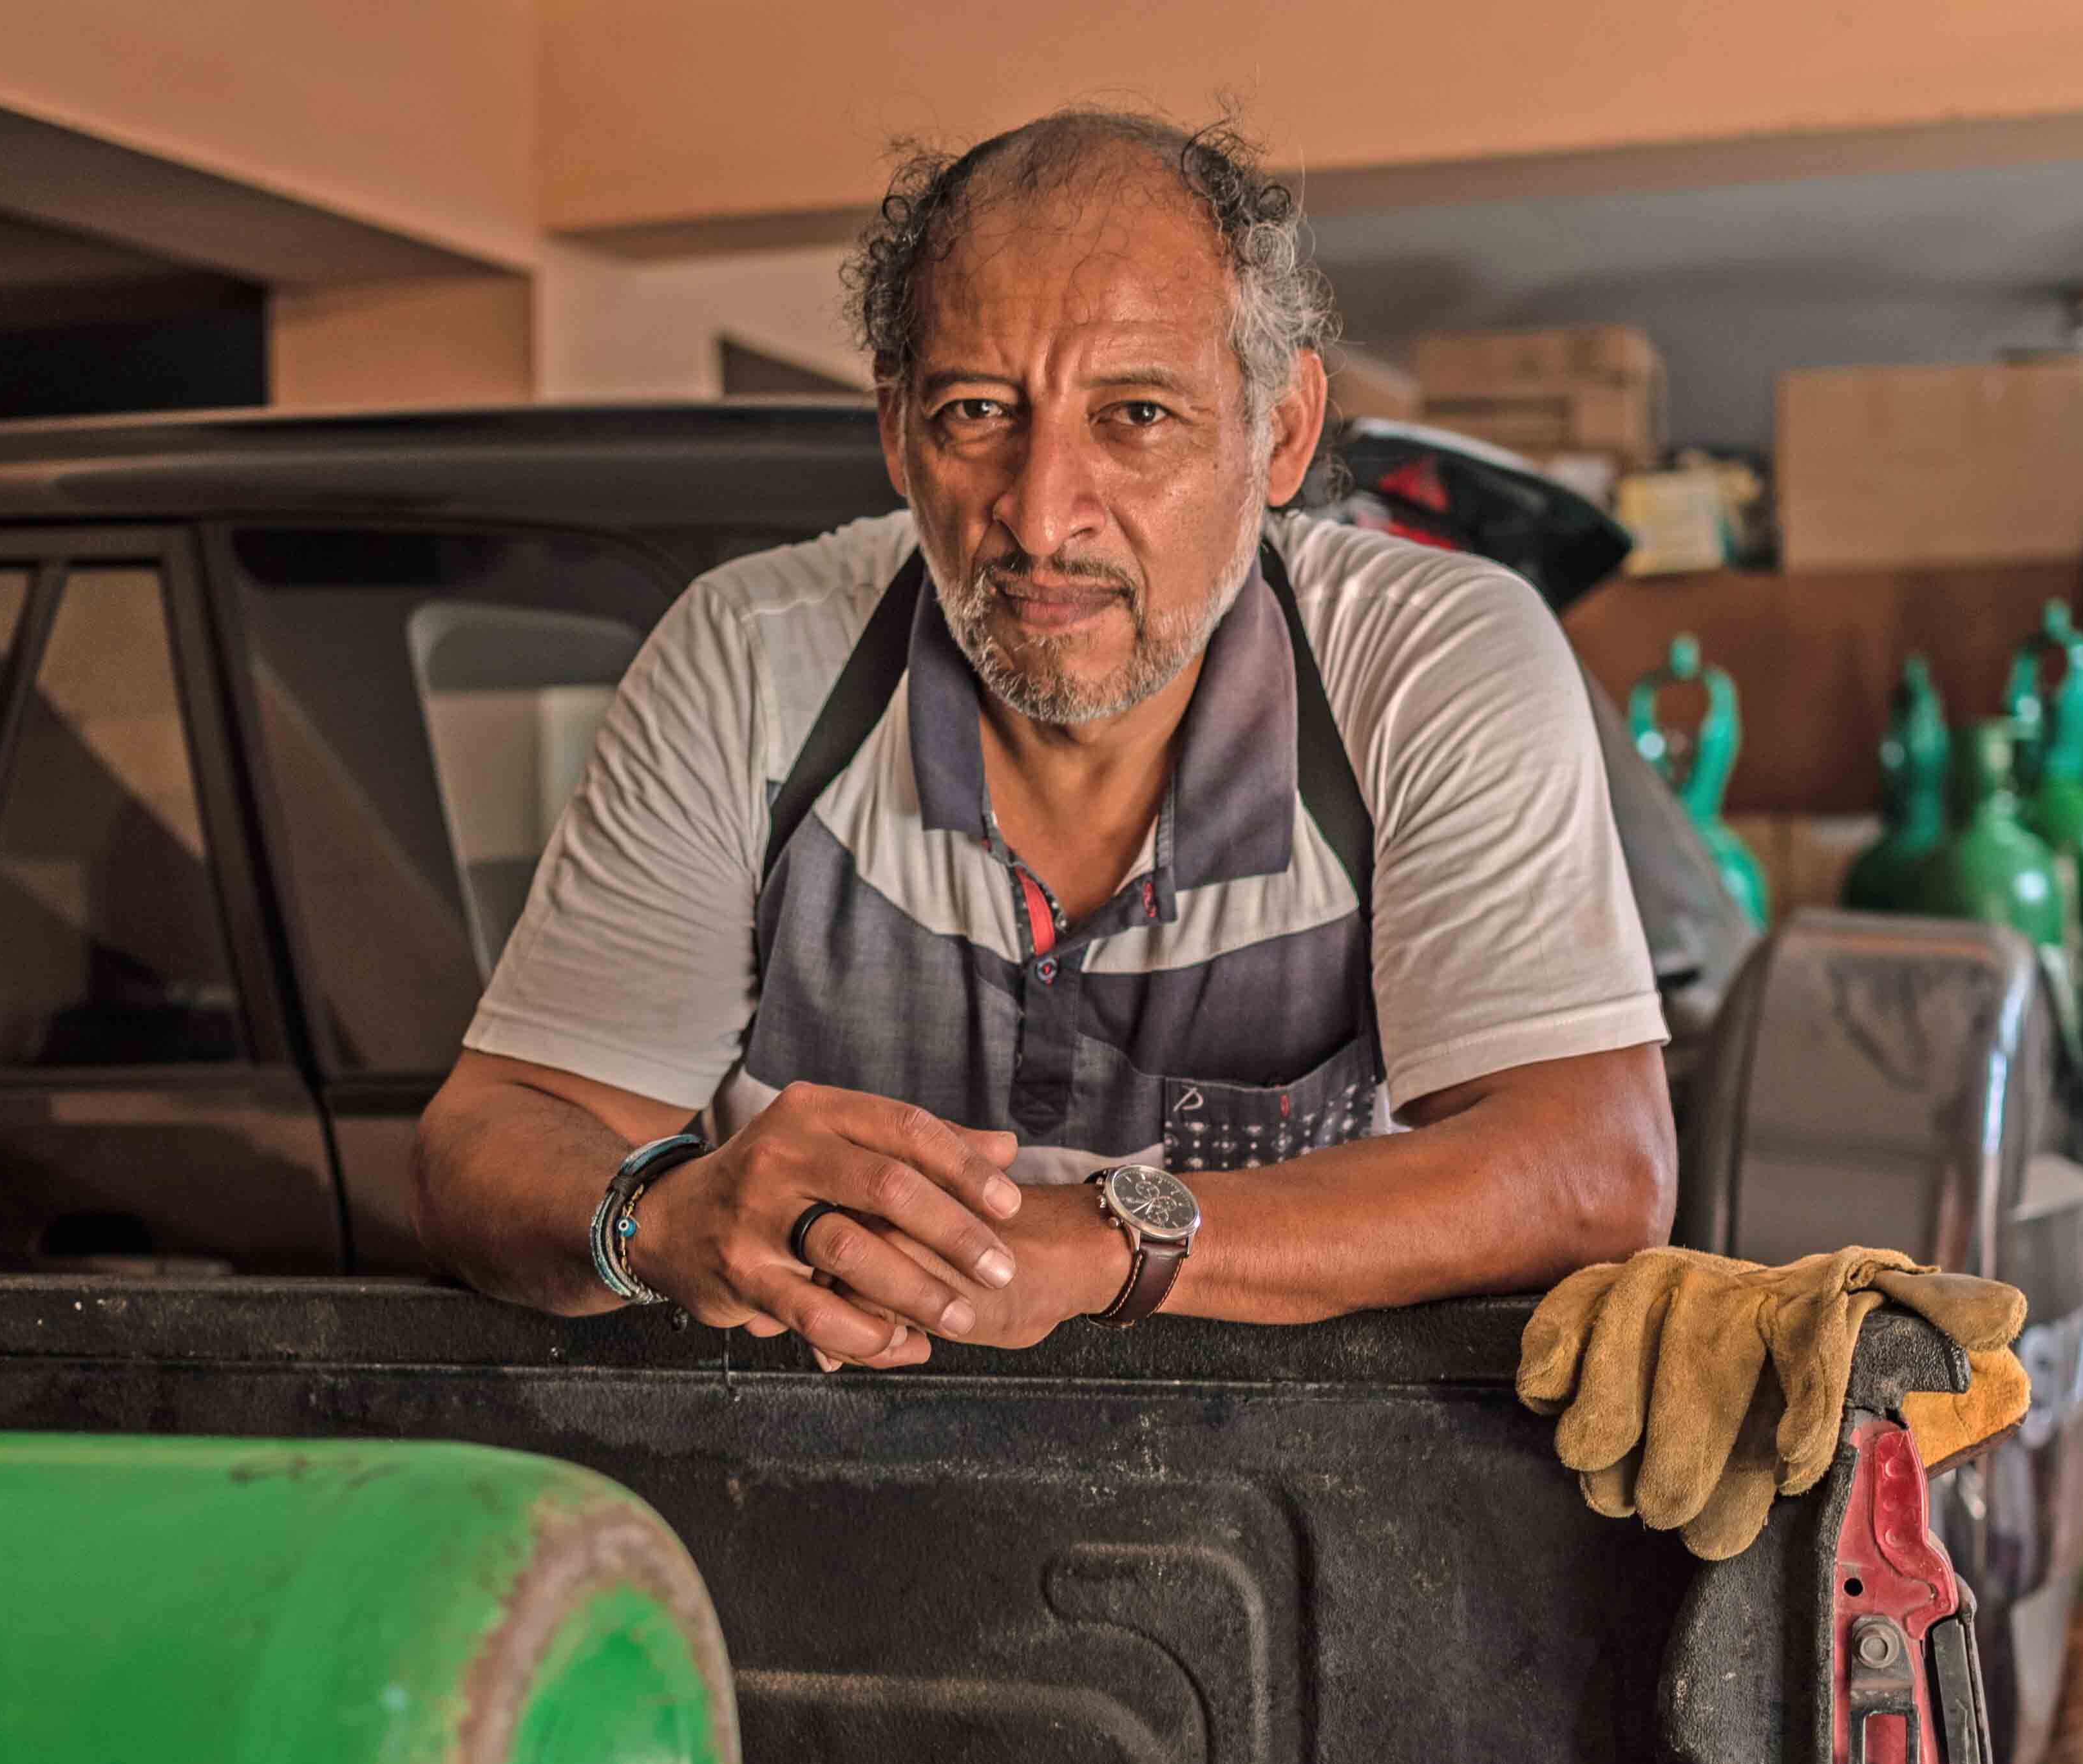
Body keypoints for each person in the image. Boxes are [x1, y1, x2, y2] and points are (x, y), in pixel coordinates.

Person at [417, 109, 1673, 1367]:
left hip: (1289, 1512)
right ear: (897, 434)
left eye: (1134, 415)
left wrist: (1101, 1242)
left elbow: (1590, 1166)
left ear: (1281, 433)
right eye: (976, 410)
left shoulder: (1422, 662)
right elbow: (494, 1135)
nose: (1040, 512)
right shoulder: (753, 661)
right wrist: (658, 1214)